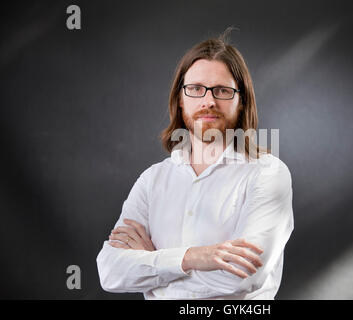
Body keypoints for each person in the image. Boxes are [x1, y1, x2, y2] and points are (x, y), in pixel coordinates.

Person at [96, 28, 294, 299]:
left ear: (241, 101)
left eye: (223, 90)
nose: (209, 101)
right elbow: (110, 272)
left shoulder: (268, 174)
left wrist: (153, 264)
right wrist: (192, 257)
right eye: (196, 89)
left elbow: (245, 276)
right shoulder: (152, 180)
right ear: (180, 99)